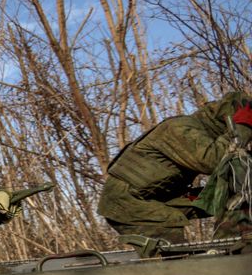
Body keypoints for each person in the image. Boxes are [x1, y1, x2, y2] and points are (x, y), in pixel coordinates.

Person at [98, 90, 252, 251]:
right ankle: (226, 259)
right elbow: (214, 161)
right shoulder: (180, 128)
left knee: (239, 190)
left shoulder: (206, 134)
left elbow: (238, 167)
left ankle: (235, 247)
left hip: (161, 196)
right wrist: (242, 128)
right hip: (128, 203)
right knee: (174, 255)